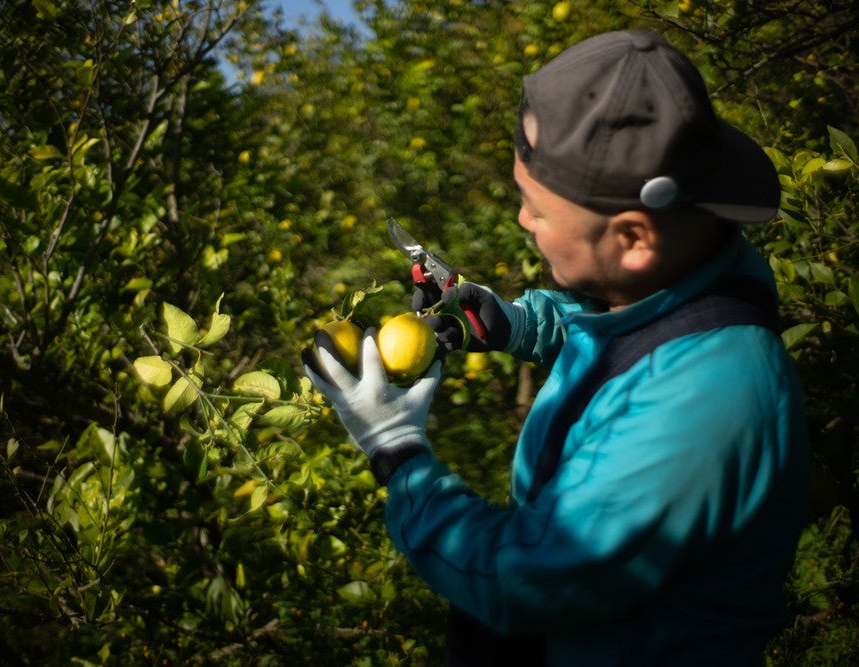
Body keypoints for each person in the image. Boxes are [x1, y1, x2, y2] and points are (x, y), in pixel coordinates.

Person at [304, 29, 810, 667]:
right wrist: (516, 324)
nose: (523, 221)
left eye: (537, 210)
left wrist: (398, 454)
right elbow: (632, 331)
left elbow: (525, 582)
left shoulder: (705, 406)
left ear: (633, 237)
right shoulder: (695, 270)